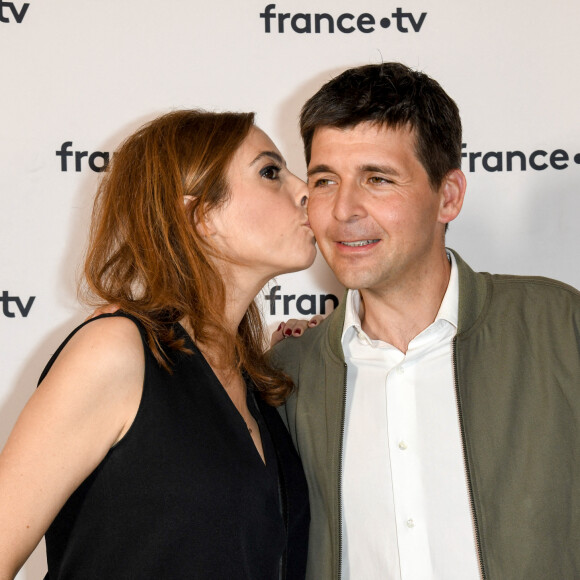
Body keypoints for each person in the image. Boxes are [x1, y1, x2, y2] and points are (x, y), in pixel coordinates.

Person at [269, 62, 580, 579]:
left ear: (449, 196)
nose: (343, 209)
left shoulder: (559, 328)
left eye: (377, 179)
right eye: (325, 180)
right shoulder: (286, 372)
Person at [0, 110, 315, 579]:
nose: (304, 189)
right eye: (270, 172)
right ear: (199, 215)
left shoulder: (256, 383)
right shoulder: (115, 350)